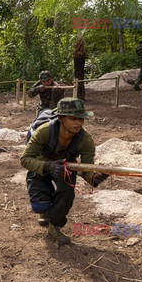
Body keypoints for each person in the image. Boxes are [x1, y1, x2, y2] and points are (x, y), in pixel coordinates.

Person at [20, 97, 108, 244]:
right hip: (41, 163)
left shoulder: (85, 140)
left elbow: (87, 169)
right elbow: (25, 159)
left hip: (66, 167)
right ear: (61, 118)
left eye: (81, 119)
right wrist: (48, 166)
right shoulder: (44, 132)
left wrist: (94, 179)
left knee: (66, 193)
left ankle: (54, 226)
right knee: (39, 204)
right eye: (73, 119)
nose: (78, 123)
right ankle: (44, 210)